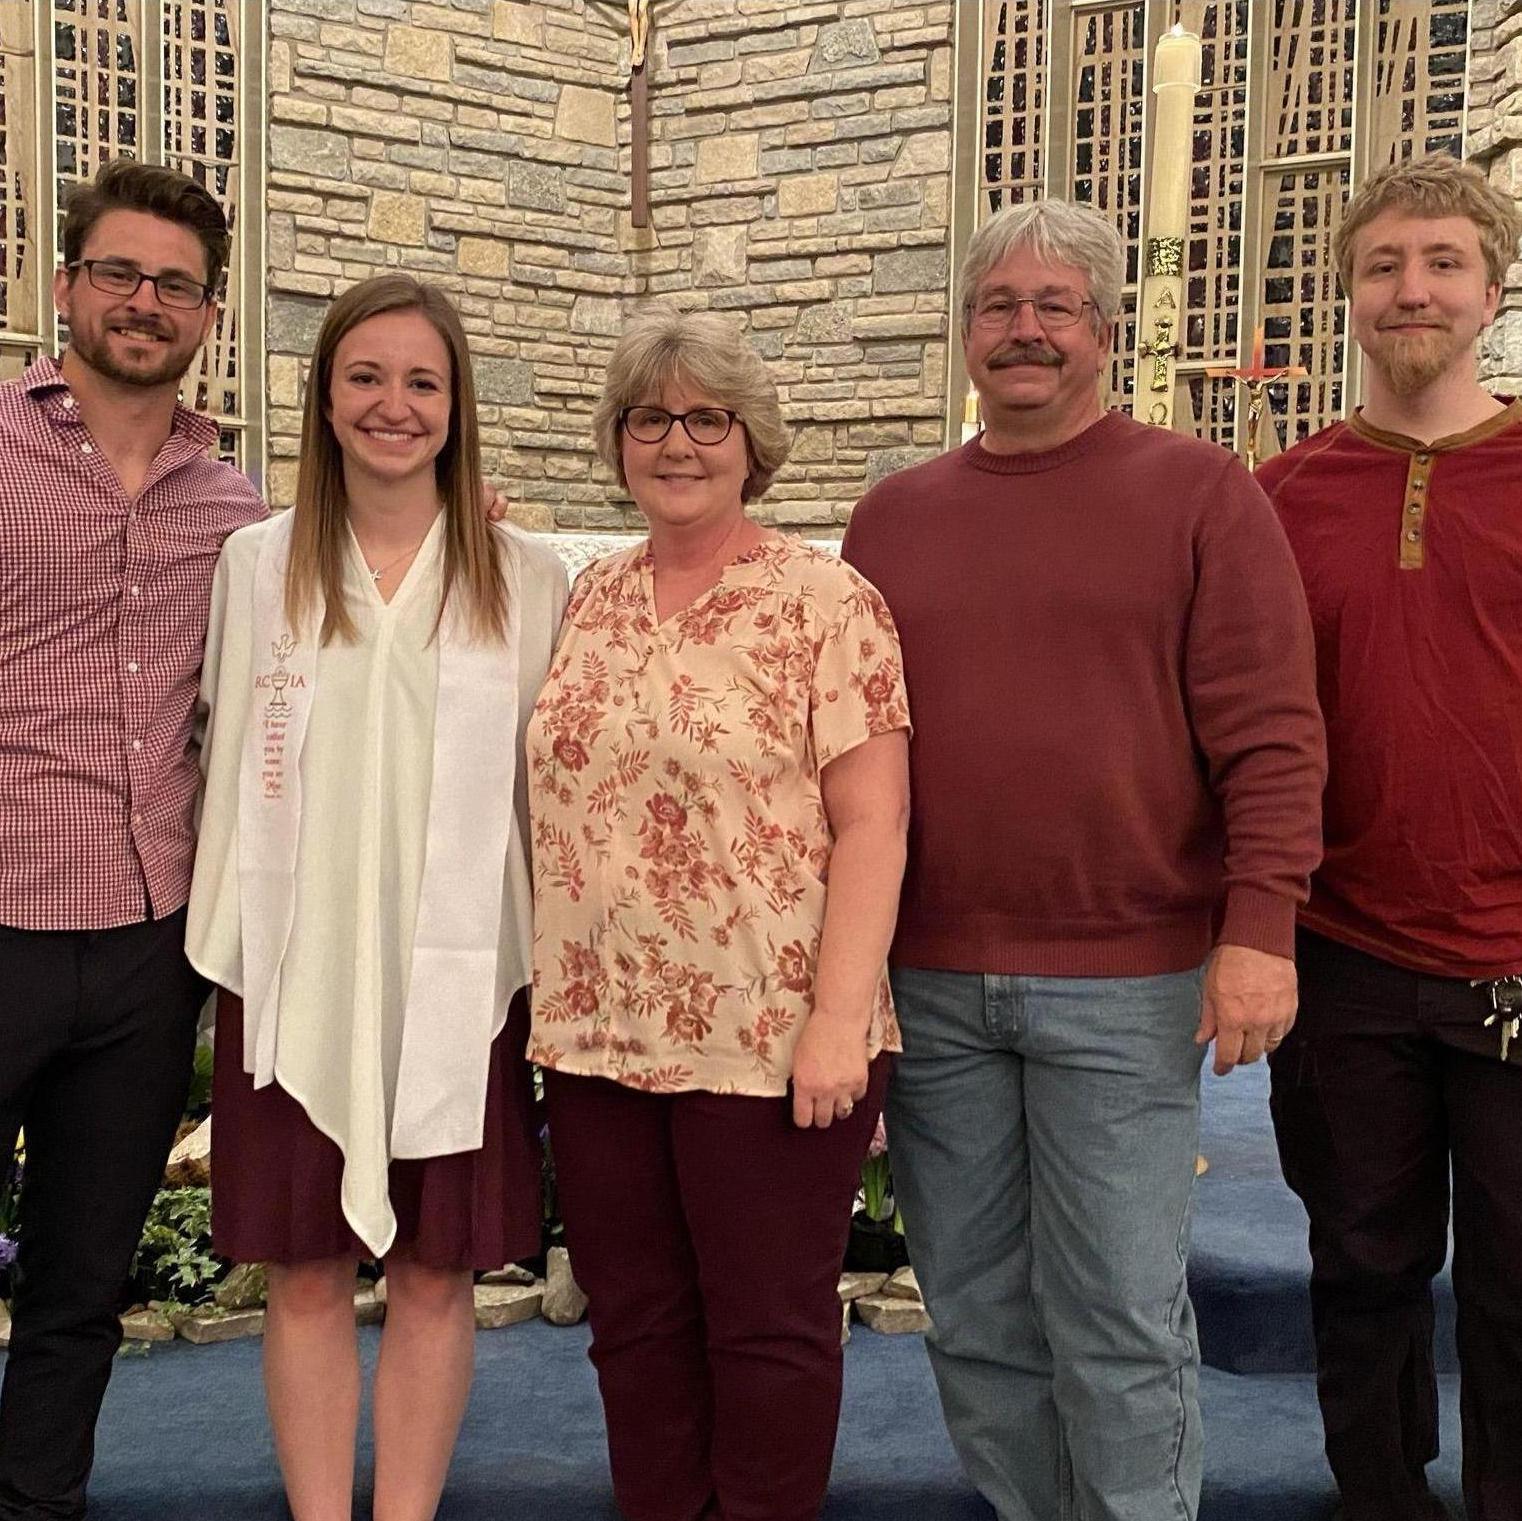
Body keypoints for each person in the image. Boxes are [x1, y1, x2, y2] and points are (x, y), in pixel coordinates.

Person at [840, 200, 1327, 1521]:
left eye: (1054, 305)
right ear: (964, 336)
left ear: (1104, 332)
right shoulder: (891, 519)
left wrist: (1259, 925)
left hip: (1124, 984)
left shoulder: (1196, 494)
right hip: (932, 980)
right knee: (979, 1319)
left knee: (1116, 1321)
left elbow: (1272, 732)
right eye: (998, 306)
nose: (1024, 330)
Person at [184, 274, 567, 1521]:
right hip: (304, 968)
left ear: (457, 409)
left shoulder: (525, 574)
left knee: (437, 1271)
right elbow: (225, 753)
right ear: (324, 396)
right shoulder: (253, 563)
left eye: (421, 382)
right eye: (365, 377)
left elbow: (543, 790)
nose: (391, 405)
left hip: (457, 971)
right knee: (300, 1269)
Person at [526, 306, 910, 1521]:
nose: (676, 442)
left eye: (707, 419)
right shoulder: (585, 597)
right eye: (650, 418)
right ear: (618, 439)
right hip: (596, 1036)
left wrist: (838, 1022)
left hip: (772, 1034)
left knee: (767, 1332)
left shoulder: (825, 601)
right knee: (633, 1328)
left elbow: (876, 827)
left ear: (753, 441)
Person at [1257, 153, 1522, 1521]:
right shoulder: (1280, 492)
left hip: (1513, 954)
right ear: (1347, 294)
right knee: (1359, 1258)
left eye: (1439, 264)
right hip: (1341, 944)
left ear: (1490, 288)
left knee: (1518, 1273)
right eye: (1380, 267)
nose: (1409, 289)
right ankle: (1374, 1496)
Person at [0, 161, 266, 1521]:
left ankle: (38, 1500)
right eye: (119, 272)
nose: (144, 301)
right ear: (66, 286)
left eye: (174, 282)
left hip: (147, 943)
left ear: (209, 312)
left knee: (83, 1273)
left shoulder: (236, 508)